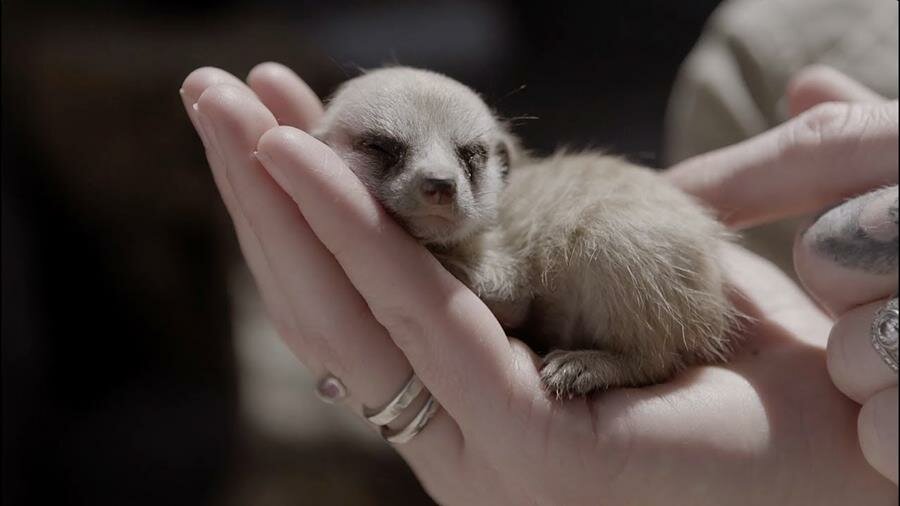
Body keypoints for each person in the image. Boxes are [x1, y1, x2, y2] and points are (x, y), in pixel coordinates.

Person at [180, 62, 897, 504]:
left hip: (649, 292)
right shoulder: (748, 51)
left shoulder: (496, 241)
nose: (435, 180)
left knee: (624, 240)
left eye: (466, 162)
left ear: (501, 169)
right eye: (383, 150)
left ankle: (635, 360)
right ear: (329, 147)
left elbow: (506, 295)